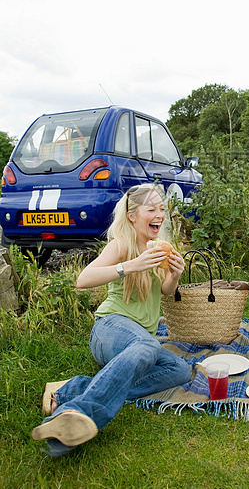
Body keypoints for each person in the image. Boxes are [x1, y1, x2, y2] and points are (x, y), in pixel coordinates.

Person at [32, 183, 192, 456]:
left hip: (139, 343)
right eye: (151, 209)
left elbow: (165, 291)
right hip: (110, 329)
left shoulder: (159, 248)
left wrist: (174, 276)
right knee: (150, 346)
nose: (160, 215)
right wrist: (131, 265)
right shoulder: (121, 245)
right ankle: (78, 414)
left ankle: (72, 390)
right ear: (132, 215)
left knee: (180, 371)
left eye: (162, 209)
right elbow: (83, 280)